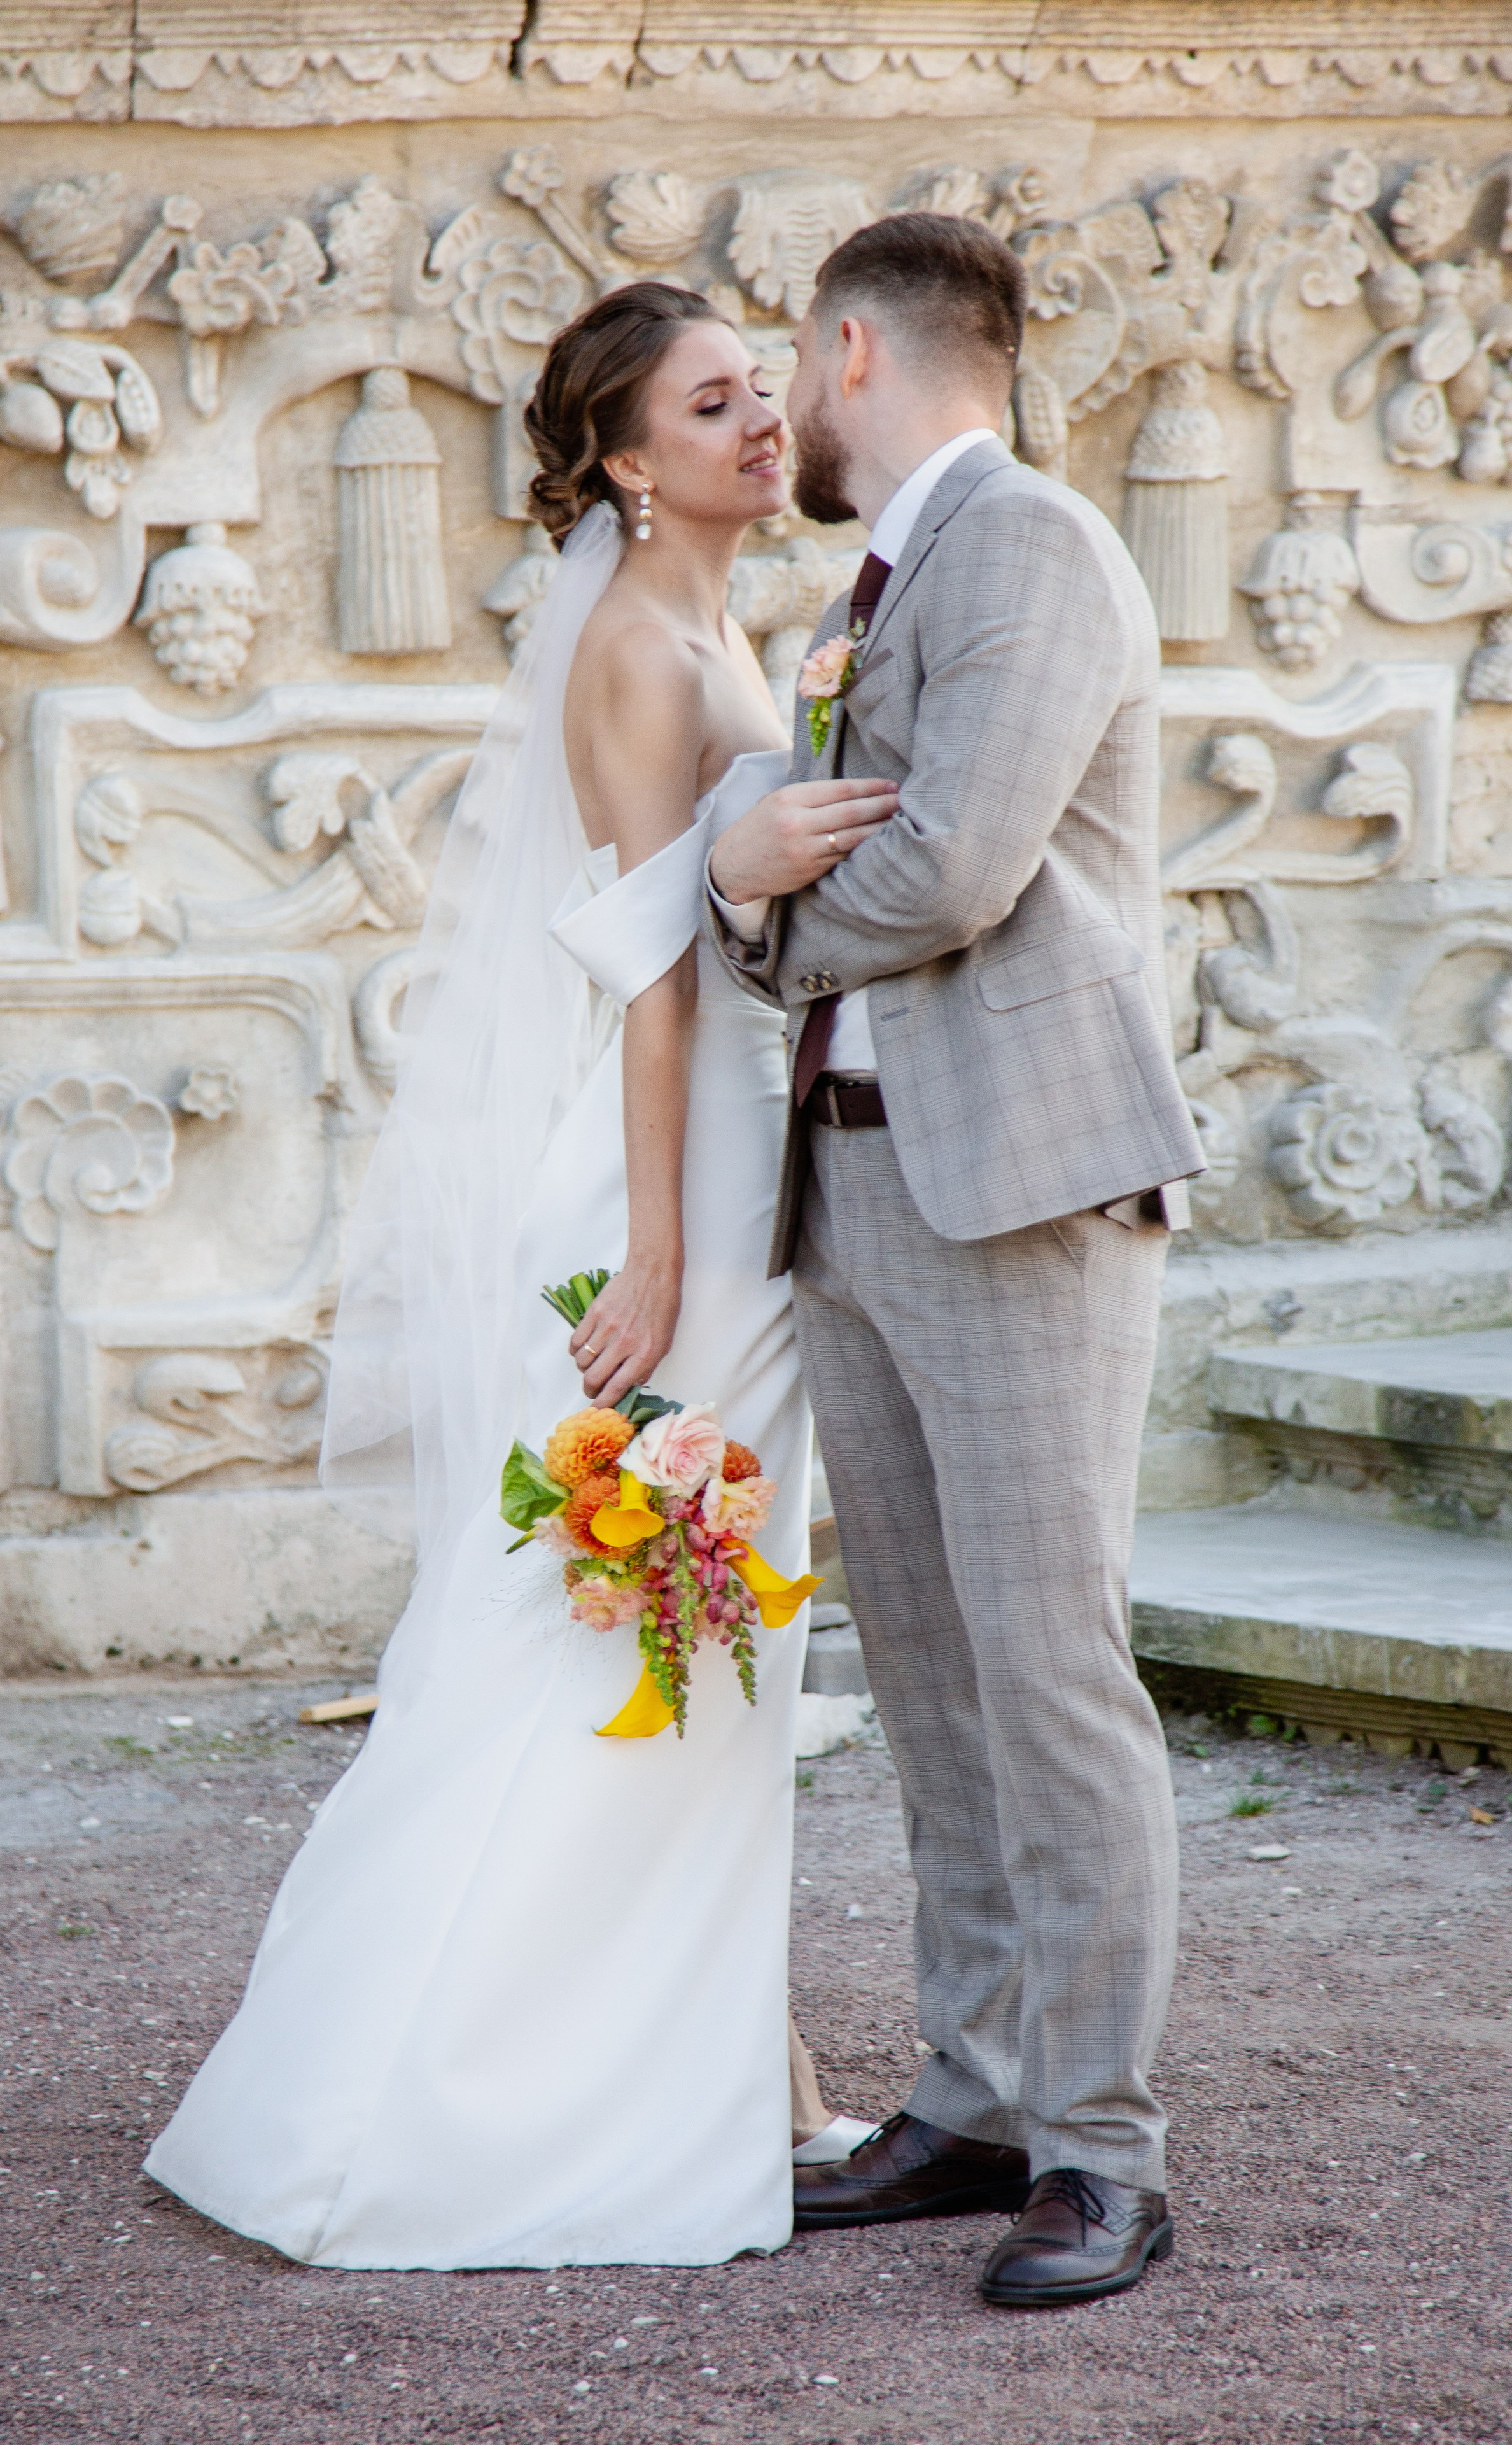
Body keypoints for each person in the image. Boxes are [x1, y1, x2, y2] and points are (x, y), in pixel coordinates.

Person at [144, 284, 891, 2269]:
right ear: (628, 462)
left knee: (692, 1615)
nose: (764, 420)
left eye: (764, 390)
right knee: (651, 1602)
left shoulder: (720, 624)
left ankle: (761, 2069)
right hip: (684, 1182)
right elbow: (651, 973)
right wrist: (654, 1250)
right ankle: (482, 2089)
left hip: (725, 1155)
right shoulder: (646, 649)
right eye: (715, 403)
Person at [708, 213, 1206, 2308]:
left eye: (785, 376)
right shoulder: (879, 578)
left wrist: (731, 909)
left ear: (849, 349)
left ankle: (1104, 2148)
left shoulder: (1033, 547)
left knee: (1052, 1669)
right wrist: (759, 881)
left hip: (1017, 1186)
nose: (782, 417)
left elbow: (951, 866)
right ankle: (978, 2089)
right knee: (922, 1669)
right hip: (854, 1186)